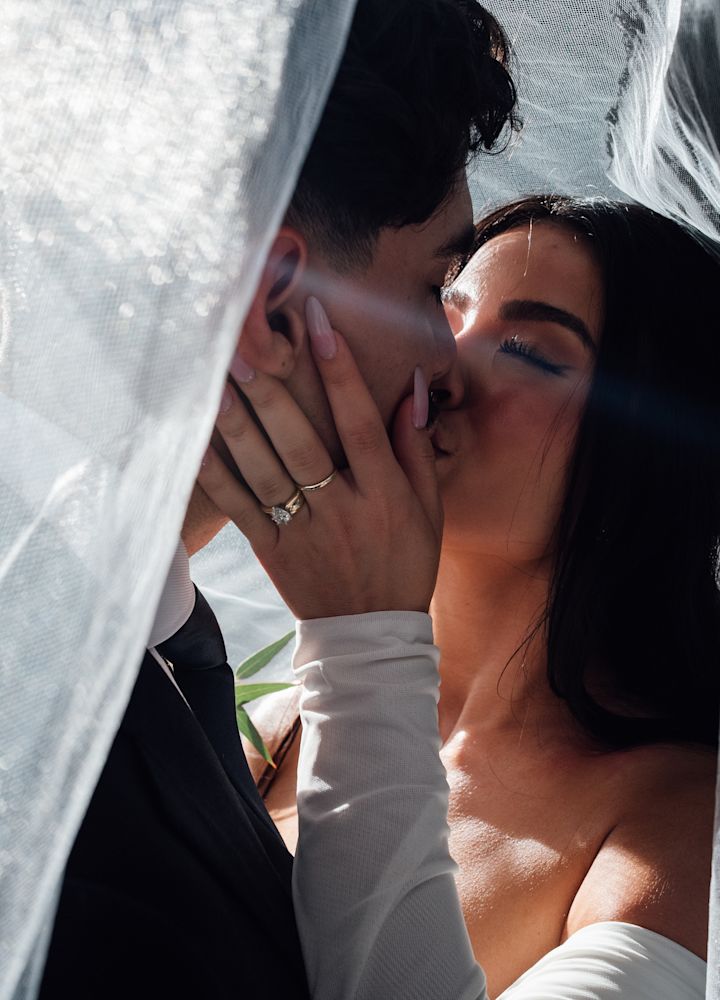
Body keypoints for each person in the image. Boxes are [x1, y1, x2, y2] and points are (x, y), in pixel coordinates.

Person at [37, 2, 518, 997]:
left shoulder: (162, 631)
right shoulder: (50, 771)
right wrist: (372, 640)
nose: (448, 357)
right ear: (274, 304)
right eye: (437, 288)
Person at [197, 195, 719, 998]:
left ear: (651, 452)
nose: (439, 366)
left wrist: (365, 641)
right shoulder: (286, 713)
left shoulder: (682, 827)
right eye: (441, 305)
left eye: (529, 353)